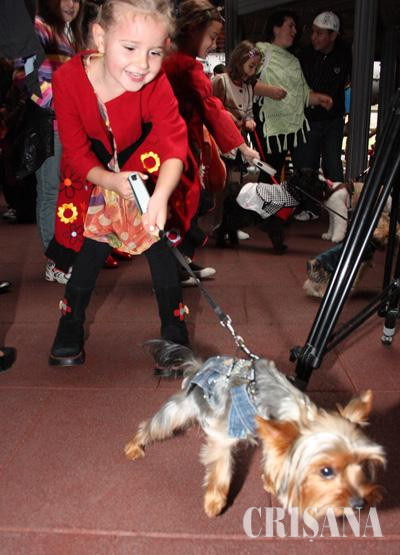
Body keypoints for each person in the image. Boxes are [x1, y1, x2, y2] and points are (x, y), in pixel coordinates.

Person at [48, 0, 197, 369]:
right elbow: (77, 153)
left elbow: (174, 144)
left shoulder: (156, 82)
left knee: (159, 245)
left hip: (145, 165)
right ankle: (70, 324)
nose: (142, 64)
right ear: (100, 38)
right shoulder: (67, 80)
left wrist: (160, 196)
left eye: (155, 52)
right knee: (93, 246)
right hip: (97, 172)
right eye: (130, 48)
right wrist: (110, 180)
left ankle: (174, 331)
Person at [163, 0, 259, 284]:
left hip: (179, 145)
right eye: (211, 36)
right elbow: (211, 109)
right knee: (184, 204)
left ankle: (180, 263)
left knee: (187, 204)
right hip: (177, 147)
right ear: (192, 31)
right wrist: (242, 146)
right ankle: (173, 269)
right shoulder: (183, 66)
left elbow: (211, 108)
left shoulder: (175, 61)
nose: (214, 43)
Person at [26, 0, 84, 284]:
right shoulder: (41, 27)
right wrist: (58, 105)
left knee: (65, 191)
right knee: (50, 191)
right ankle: (56, 262)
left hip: (66, 124)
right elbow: (26, 74)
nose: (72, 4)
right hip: (50, 124)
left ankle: (65, 256)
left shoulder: (67, 32)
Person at [253, 10, 333, 183]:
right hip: (267, 125)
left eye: (295, 27)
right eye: (290, 26)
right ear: (275, 28)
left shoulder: (294, 61)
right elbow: (241, 79)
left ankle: (273, 200)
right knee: (269, 173)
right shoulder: (259, 51)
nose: (295, 31)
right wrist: (269, 91)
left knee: (279, 173)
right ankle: (263, 200)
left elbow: (302, 95)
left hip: (288, 129)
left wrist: (319, 99)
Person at [294, 11, 352, 221]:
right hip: (307, 120)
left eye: (320, 33)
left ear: (333, 35)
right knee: (305, 166)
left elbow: (349, 83)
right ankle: (308, 208)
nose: (314, 37)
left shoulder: (345, 54)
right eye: (313, 32)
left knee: (333, 165)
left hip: (333, 121)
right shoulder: (304, 55)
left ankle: (340, 209)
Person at [212, 40, 260, 240]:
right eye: (250, 66)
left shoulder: (248, 88)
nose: (252, 71)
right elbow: (211, 109)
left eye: (255, 67)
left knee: (235, 186)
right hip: (218, 143)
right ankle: (217, 225)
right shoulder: (220, 81)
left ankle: (229, 225)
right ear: (239, 62)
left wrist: (249, 120)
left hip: (238, 144)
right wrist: (228, 116)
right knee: (220, 187)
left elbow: (248, 113)